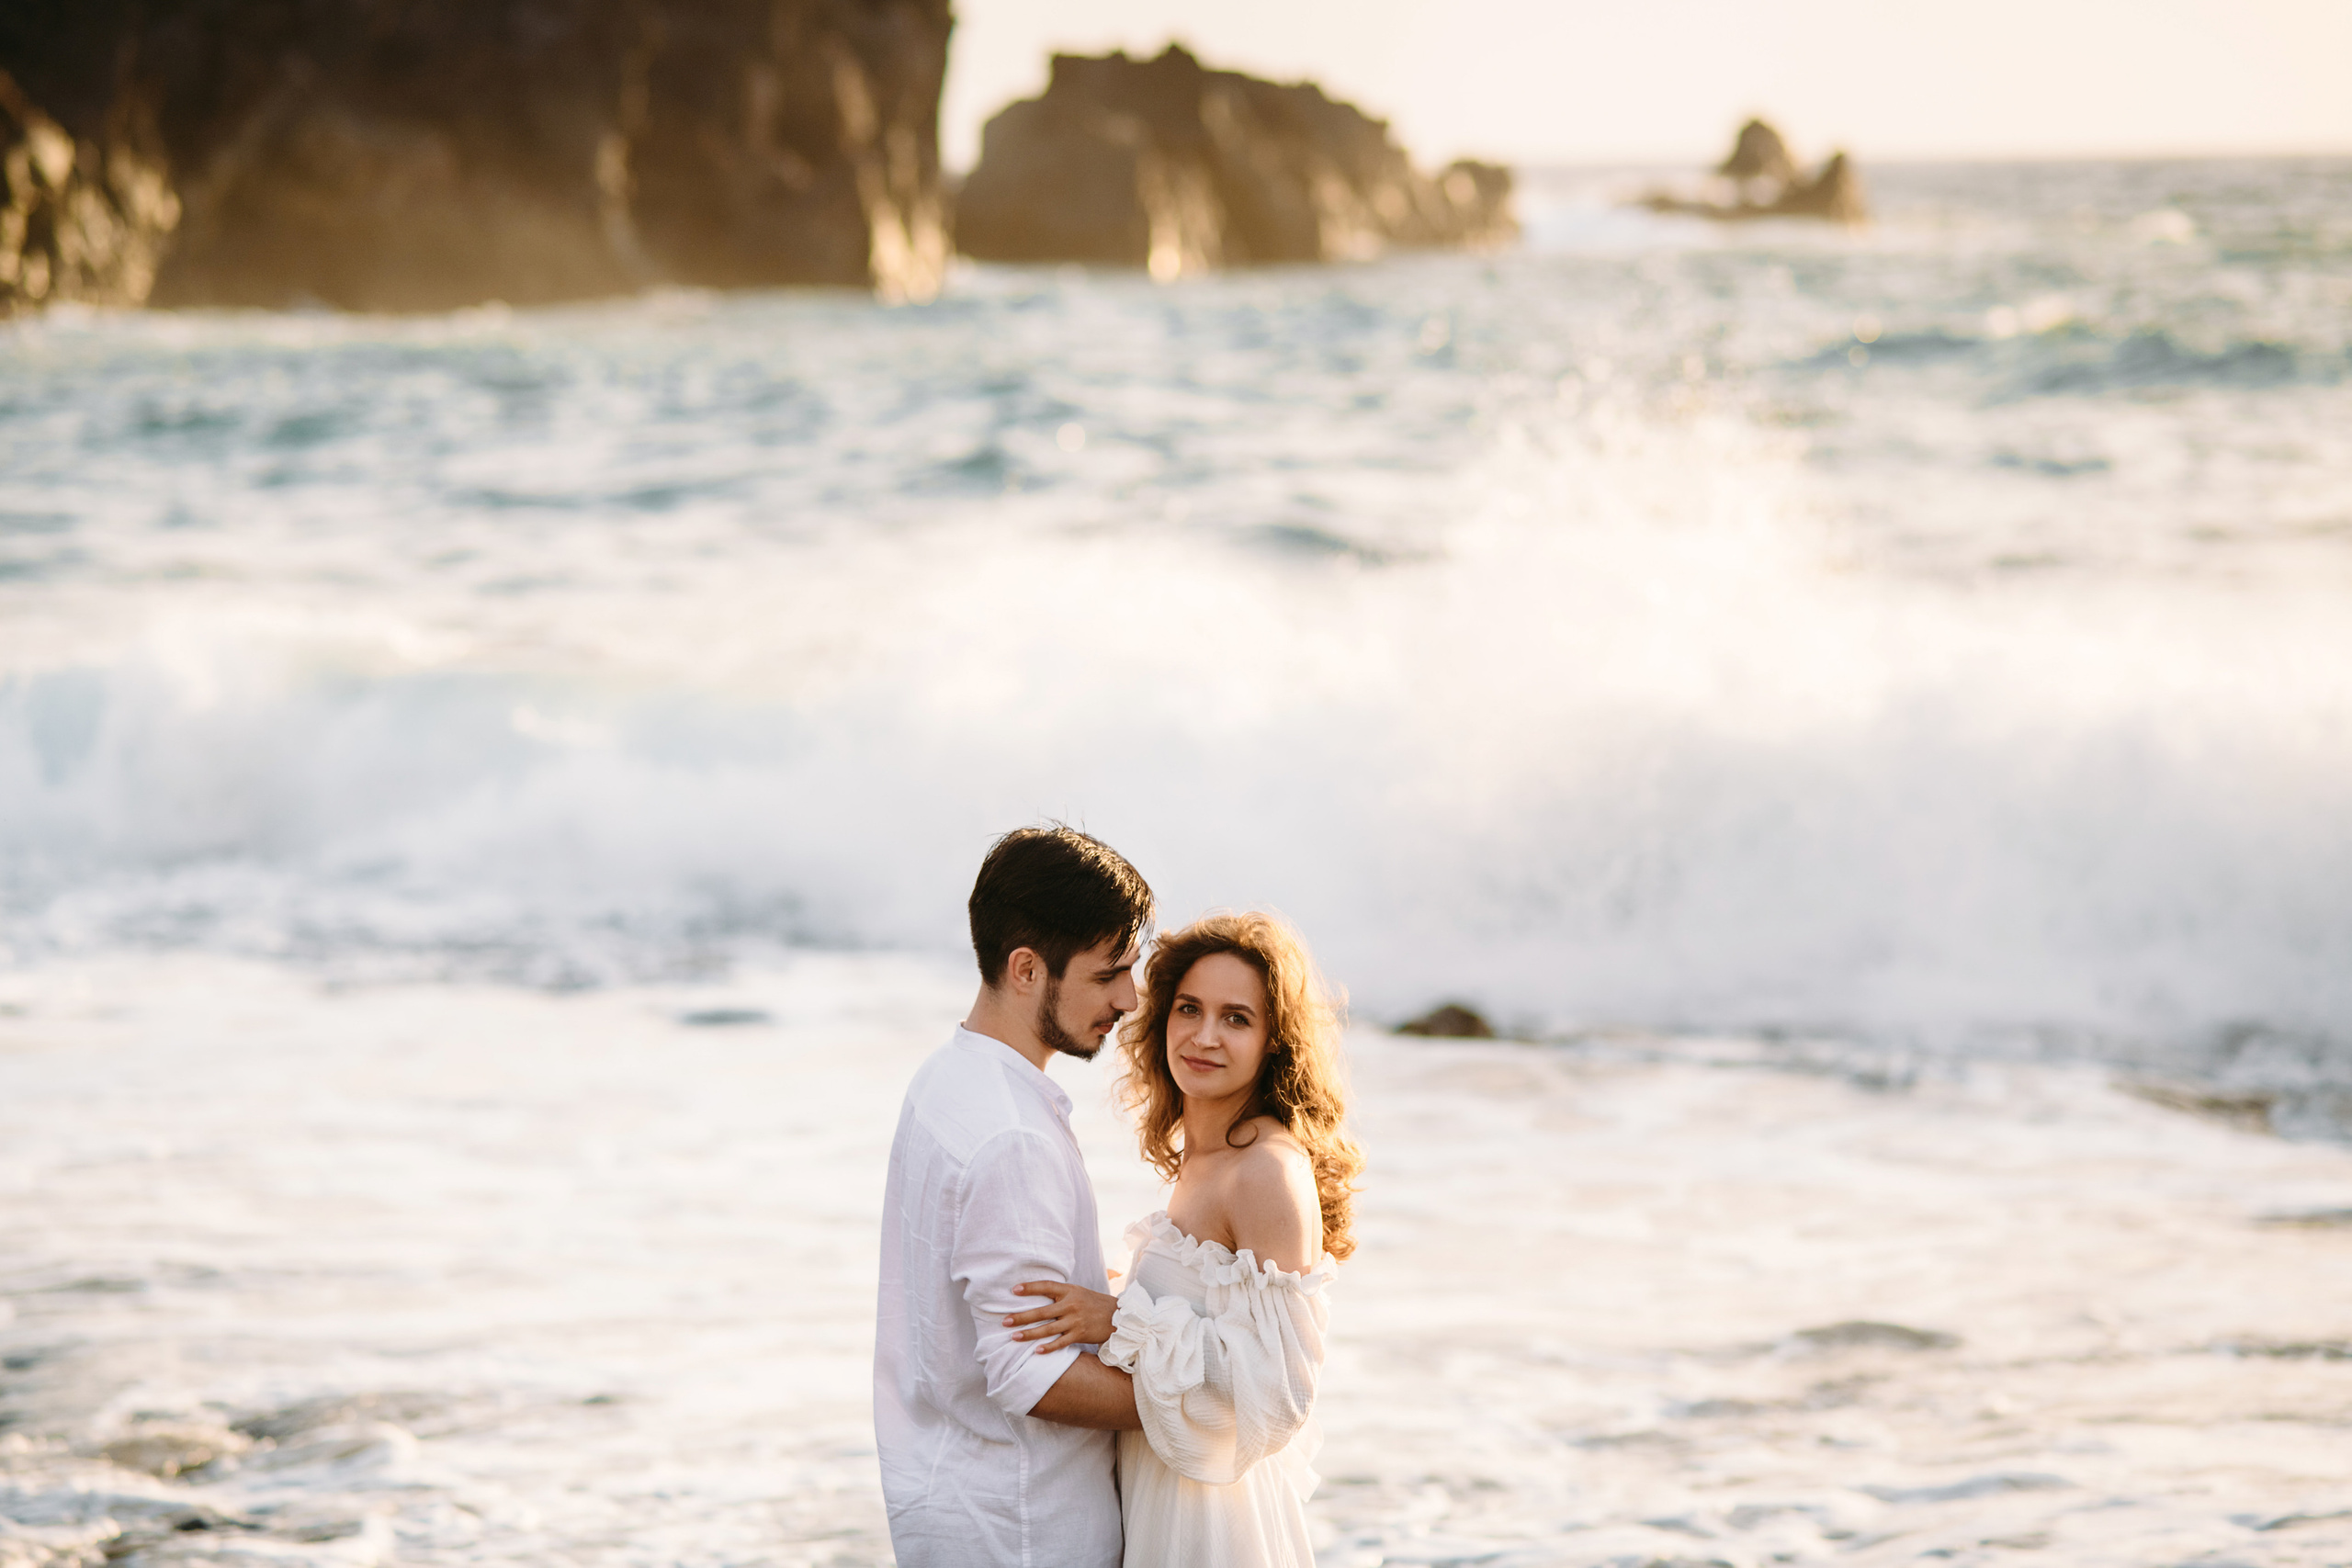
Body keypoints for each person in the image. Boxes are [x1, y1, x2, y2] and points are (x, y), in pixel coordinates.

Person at [1001, 911, 1363, 1568]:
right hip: (1167, 1499)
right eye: (1189, 1008)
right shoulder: (1207, 1157)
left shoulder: (1266, 1170)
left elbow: (1280, 1394)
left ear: (1274, 1042)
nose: (1204, 1036)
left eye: (1236, 1018)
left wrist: (1121, 1318)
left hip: (1216, 1529)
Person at [873, 825, 1154, 1568]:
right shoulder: (1012, 1135)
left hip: (956, 1501)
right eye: (1108, 973)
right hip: (1025, 1530)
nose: (1129, 998)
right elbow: (1032, 1373)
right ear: (1026, 968)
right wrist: (1208, 1404)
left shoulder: (945, 1078)